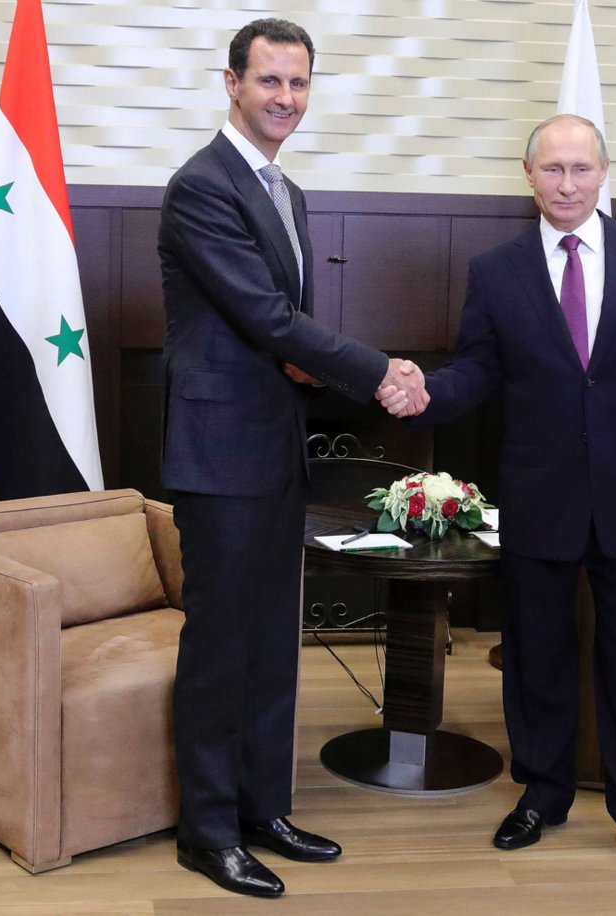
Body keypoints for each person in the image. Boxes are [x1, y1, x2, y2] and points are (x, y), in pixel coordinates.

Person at [382, 114, 616, 885]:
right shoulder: (496, 270)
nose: (568, 184)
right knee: (536, 656)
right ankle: (542, 794)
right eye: (554, 169)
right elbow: (477, 370)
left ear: (604, 173)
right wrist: (423, 391)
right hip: (538, 496)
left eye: (581, 168)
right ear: (529, 175)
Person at [157, 18, 427, 899]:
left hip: (276, 450)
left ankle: (263, 809)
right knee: (220, 650)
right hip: (218, 456)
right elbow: (266, 318)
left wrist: (320, 365)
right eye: (269, 80)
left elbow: (283, 331)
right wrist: (377, 371)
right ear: (231, 83)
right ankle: (207, 833)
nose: (285, 98)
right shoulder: (201, 186)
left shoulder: (289, 192)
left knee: (274, 644)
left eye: (299, 83)